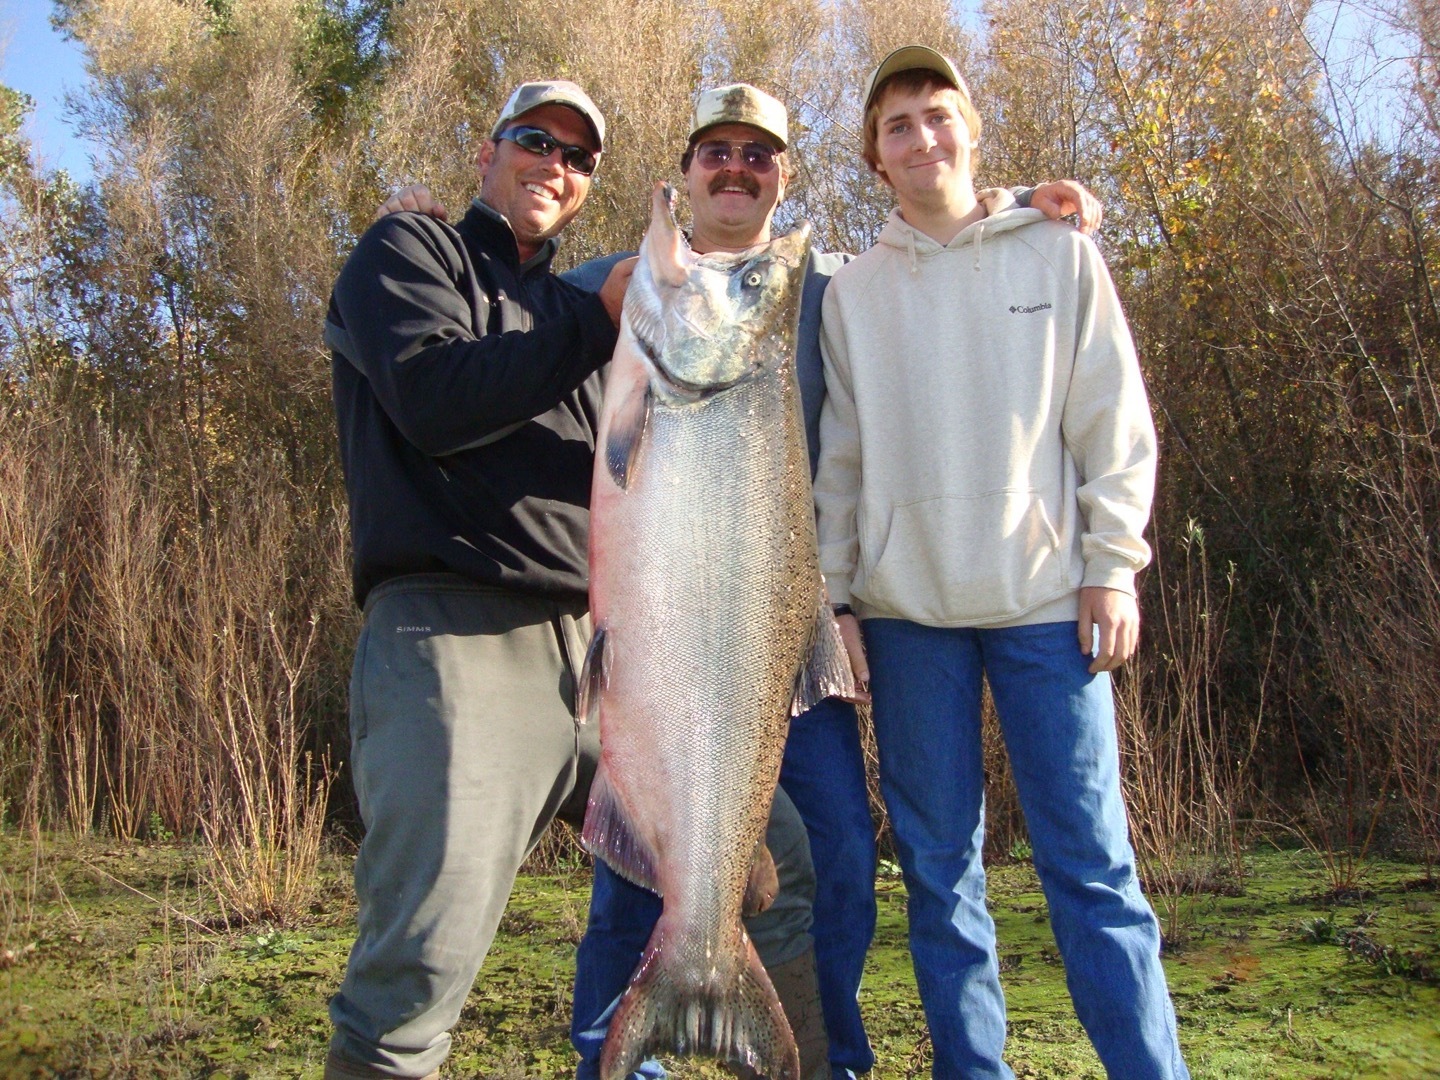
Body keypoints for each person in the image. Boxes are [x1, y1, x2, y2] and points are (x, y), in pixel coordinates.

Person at [377, 81, 1102, 1080]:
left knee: (843, 849)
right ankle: (622, 1062)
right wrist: (441, 228)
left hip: (782, 644)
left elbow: (936, 247)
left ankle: (820, 1059)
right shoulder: (616, 287)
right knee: (633, 871)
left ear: (783, 178)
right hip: (662, 638)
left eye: (758, 155)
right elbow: (503, 304)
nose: (734, 167)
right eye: (715, 150)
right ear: (684, 170)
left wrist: (1016, 202)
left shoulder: (828, 287)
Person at [812, 46, 1189, 1079]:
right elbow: (839, 464)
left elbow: (1113, 425)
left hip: (1045, 606)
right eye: (898, 126)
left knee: (1093, 867)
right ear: (875, 160)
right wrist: (839, 601)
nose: (923, 137)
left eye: (939, 116)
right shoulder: (851, 294)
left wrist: (1113, 566)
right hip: (908, 614)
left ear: (973, 131)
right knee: (939, 874)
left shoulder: (1059, 254)